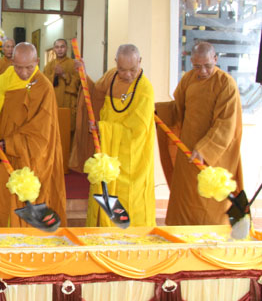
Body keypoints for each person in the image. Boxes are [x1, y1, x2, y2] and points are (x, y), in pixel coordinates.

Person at [0, 42, 67, 227]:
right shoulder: (9, 76)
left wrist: (10, 144)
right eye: (18, 67)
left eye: (29, 67)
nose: (24, 73)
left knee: (27, 197)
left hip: (31, 156)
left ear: (37, 61)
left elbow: (42, 130)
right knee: (2, 200)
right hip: (6, 151)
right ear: (12, 62)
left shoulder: (44, 87)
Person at [156, 41, 243, 225]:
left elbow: (226, 123)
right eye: (197, 66)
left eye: (207, 66)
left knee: (210, 202)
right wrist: (156, 111)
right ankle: (181, 235)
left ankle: (210, 237)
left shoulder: (226, 83)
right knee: (185, 199)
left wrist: (204, 149)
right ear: (191, 62)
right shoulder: (188, 79)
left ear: (215, 59)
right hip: (188, 151)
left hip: (214, 155)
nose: (202, 71)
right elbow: (177, 110)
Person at [73, 44, 155, 227]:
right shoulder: (111, 76)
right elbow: (95, 95)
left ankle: (129, 232)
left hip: (132, 158)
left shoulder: (144, 89)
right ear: (116, 62)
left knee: (130, 197)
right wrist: (83, 75)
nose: (127, 75)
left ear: (140, 62)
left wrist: (103, 129)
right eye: (122, 69)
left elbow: (137, 130)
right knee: (104, 189)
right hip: (108, 151)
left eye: (132, 69)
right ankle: (102, 228)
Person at [43, 38, 80, 137]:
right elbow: (44, 84)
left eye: (62, 47)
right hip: (53, 103)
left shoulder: (73, 64)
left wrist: (64, 75)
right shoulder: (49, 66)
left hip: (68, 104)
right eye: (57, 47)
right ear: (54, 49)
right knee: (52, 132)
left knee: (67, 133)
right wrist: (54, 75)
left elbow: (78, 83)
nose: (60, 49)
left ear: (67, 48)